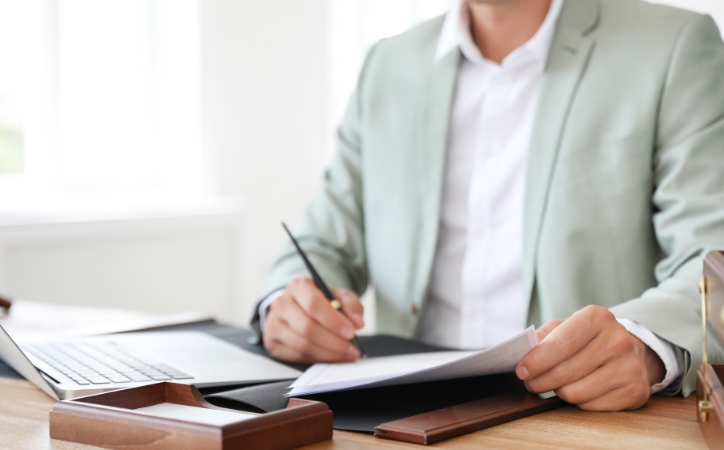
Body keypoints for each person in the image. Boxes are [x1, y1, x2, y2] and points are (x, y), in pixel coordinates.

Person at [251, 0, 724, 411]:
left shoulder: (672, 46)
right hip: (394, 417)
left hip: (572, 416)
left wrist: (644, 342)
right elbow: (322, 242)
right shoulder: (388, 65)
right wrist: (285, 307)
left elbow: (711, 258)